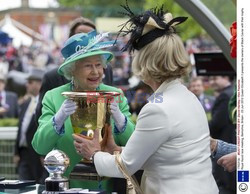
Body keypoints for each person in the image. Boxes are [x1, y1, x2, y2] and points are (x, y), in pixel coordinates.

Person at [72, 6, 219, 194]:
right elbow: (166, 155)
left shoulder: (158, 109)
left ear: (145, 61)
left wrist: (94, 155)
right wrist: (116, 149)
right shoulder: (186, 96)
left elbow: (126, 166)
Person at [32, 30, 135, 192]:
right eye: (88, 66)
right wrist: (58, 119)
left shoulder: (116, 95)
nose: (96, 72)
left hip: (109, 187)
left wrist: (120, 119)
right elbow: (40, 146)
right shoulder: (54, 97)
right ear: (72, 70)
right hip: (69, 188)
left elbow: (133, 144)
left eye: (98, 65)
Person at [35, 16, 113, 122]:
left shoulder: (107, 70)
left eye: (91, 36)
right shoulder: (52, 78)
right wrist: (58, 120)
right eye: (81, 36)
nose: (95, 72)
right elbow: (40, 119)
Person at [14, 68, 46, 183]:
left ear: (39, 84)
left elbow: (45, 130)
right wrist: (16, 152)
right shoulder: (26, 102)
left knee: (38, 186)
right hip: (24, 154)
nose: (26, 85)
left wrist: (44, 154)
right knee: (23, 186)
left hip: (37, 155)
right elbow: (20, 128)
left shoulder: (46, 103)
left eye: (30, 82)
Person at [208, 75, 236, 194]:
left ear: (227, 78)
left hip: (226, 146)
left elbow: (216, 123)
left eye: (215, 78)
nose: (212, 82)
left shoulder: (225, 96)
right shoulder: (231, 92)